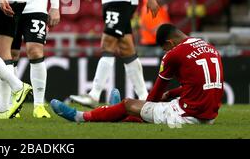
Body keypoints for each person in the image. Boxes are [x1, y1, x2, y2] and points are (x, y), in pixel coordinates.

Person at [52, 24, 224, 128]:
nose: (166, 52)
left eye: (165, 48)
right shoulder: (208, 46)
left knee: (129, 104)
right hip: (209, 116)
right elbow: (199, 84)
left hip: (189, 115)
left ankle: (81, 116)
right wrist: (171, 94)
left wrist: (141, 105)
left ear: (169, 43)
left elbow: (153, 98)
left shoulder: (175, 53)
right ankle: (113, 112)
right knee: (146, 109)